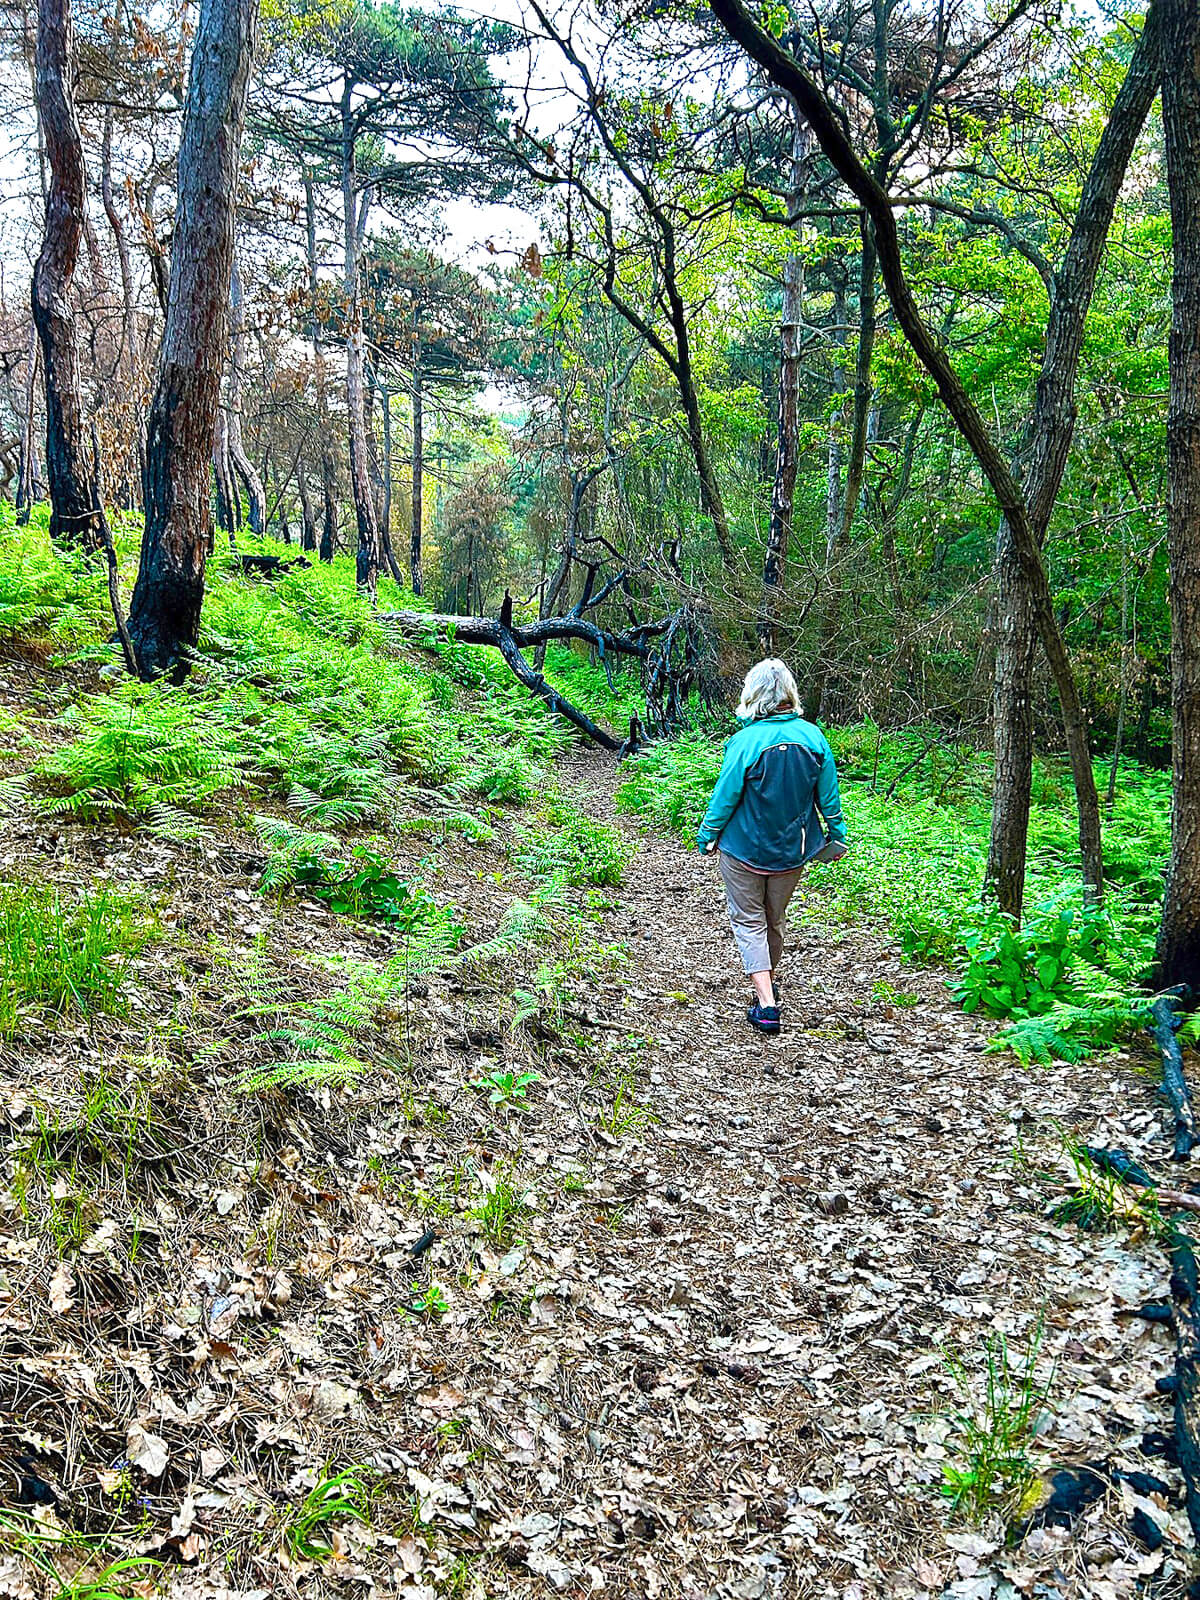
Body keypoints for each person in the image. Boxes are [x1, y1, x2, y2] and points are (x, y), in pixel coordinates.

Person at [697, 659, 846, 1035]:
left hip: (742, 849)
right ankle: (768, 982)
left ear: (754, 694)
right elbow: (828, 795)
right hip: (789, 853)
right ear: (790, 695)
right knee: (773, 920)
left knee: (749, 921)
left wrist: (708, 833)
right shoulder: (815, 738)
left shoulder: (745, 741)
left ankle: (766, 1004)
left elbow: (726, 794)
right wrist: (836, 831)